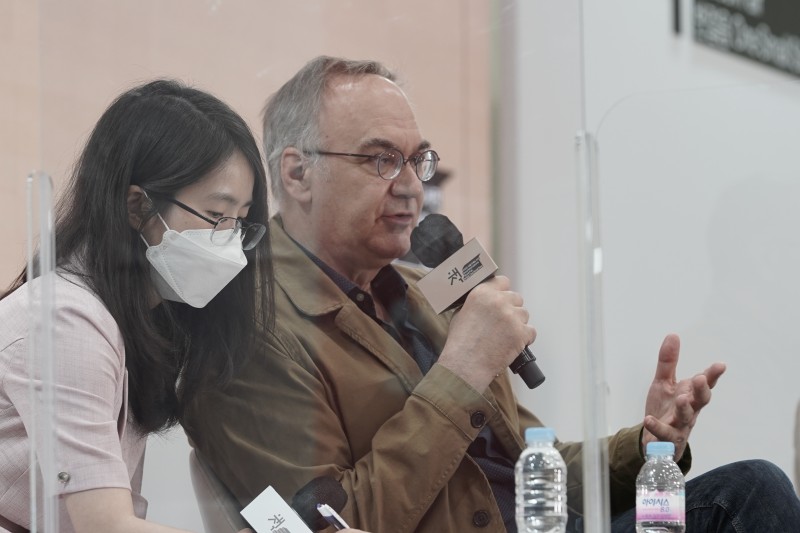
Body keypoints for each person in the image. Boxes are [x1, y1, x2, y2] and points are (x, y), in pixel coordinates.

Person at [183, 56, 800, 532]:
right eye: (381, 160)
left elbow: (534, 468)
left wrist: (645, 446)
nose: (411, 187)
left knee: (748, 491)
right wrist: (461, 371)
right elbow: (334, 524)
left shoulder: (432, 290)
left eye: (418, 161)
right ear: (297, 173)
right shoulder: (245, 328)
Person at [0, 79, 372, 533]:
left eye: (241, 221)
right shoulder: (65, 320)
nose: (231, 243)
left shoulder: (133, 322)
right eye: (216, 217)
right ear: (137, 207)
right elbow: (106, 527)